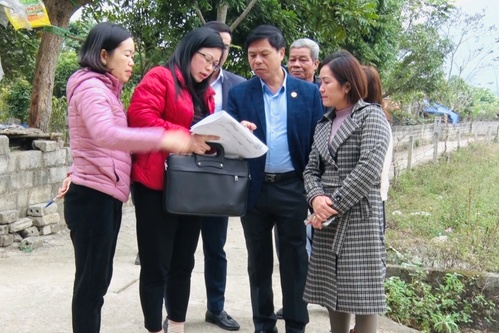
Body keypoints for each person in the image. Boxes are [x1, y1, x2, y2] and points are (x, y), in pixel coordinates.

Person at [59, 22, 215, 333]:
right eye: (127, 54)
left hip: (102, 193)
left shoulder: (104, 89)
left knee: (96, 282)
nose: (132, 61)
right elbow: (106, 134)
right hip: (93, 195)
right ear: (104, 55)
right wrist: (166, 139)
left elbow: (89, 141)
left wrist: (76, 169)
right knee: (92, 285)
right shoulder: (92, 88)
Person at [226, 24, 324, 333]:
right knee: (258, 262)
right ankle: (263, 325)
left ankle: (296, 324)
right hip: (254, 190)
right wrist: (237, 132)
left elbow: (317, 142)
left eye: (264, 54)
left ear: (281, 53)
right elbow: (225, 140)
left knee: (295, 260)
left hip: (293, 187)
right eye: (251, 55)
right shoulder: (240, 93)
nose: (256, 61)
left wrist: (315, 189)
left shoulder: (307, 93)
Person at [127, 27, 225, 333]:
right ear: (188, 50)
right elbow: (140, 118)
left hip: (190, 188)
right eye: (206, 59)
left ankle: (177, 326)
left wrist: (228, 134)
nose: (209, 67)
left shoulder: (206, 93)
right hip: (154, 185)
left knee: (184, 263)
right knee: (156, 265)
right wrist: (188, 137)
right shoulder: (160, 77)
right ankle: (154, 328)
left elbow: (201, 137)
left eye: (215, 63)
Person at [302, 50, 391, 333]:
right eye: (320, 82)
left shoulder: (372, 117)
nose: (321, 88)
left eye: (326, 82)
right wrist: (316, 198)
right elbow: (310, 170)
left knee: (363, 293)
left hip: (358, 218)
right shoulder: (324, 122)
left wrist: (330, 206)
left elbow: (367, 170)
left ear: (347, 85)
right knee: (333, 290)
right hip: (326, 217)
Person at [197, 20, 246, 332]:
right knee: (179, 250)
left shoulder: (238, 85)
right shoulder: (186, 80)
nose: (221, 51)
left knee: (216, 247)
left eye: (226, 46)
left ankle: (216, 308)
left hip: (219, 179)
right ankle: (173, 310)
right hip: (186, 175)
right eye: (216, 44)